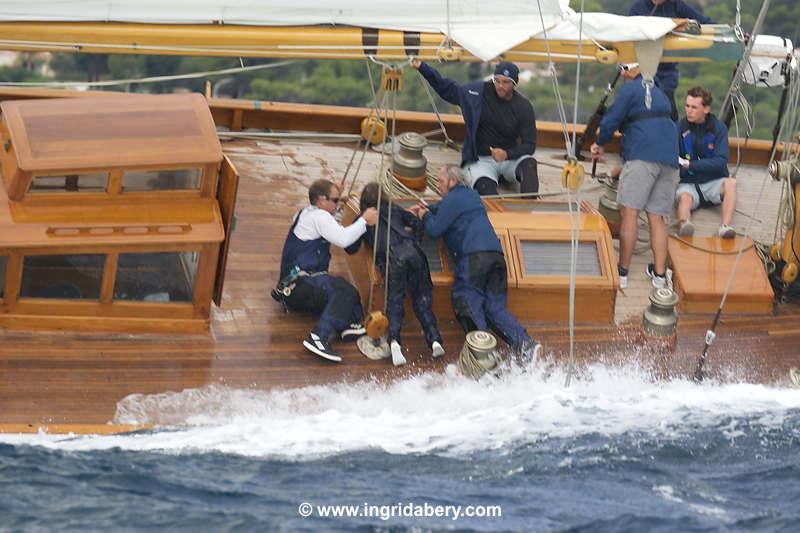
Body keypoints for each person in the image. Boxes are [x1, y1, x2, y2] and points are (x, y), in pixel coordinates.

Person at [409, 165, 541, 361]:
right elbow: (445, 208)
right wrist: (429, 208)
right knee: (495, 309)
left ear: (452, 182)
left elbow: (435, 230)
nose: (438, 185)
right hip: (496, 257)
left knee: (467, 302)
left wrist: (424, 215)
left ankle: (484, 357)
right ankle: (526, 346)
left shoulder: (452, 199)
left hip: (474, 258)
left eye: (441, 181)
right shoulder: (472, 196)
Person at [590, 62, 679, 290]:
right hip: (669, 158)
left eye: (624, 67)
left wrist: (599, 144)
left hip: (641, 155)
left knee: (629, 213)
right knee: (657, 218)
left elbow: (611, 120)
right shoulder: (662, 92)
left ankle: (622, 272)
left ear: (636, 69)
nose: (622, 72)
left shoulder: (631, 89)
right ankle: (660, 276)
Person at [275, 179, 378, 362]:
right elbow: (343, 239)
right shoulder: (320, 217)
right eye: (335, 199)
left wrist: (336, 200)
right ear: (322, 200)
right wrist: (364, 220)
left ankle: (346, 326)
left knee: (350, 293)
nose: (339, 203)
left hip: (291, 286)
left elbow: (332, 224)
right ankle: (318, 337)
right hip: (301, 285)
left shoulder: (304, 213)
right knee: (343, 291)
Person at [346, 182, 444, 366]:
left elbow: (351, 248)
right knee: (422, 300)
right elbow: (417, 223)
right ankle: (435, 341)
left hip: (392, 259)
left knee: (395, 302)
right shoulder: (395, 210)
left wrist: (360, 231)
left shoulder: (365, 218)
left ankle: (395, 343)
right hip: (414, 253)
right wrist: (414, 240)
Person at [409, 58, 539, 197]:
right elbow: (447, 88)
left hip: (508, 159)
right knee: (486, 191)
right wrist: (423, 67)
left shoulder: (523, 106)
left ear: (514, 83)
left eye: (506, 82)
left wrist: (507, 154)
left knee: (529, 165)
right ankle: (500, 215)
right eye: (497, 80)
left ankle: (529, 207)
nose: (500, 86)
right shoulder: (477, 93)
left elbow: (530, 145)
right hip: (481, 160)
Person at [628, 0, 714, 121]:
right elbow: (626, 39)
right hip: (641, 72)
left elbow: (706, 23)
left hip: (666, 75)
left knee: (669, 114)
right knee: (640, 114)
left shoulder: (677, 5)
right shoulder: (638, 8)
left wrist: (733, 34)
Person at [675, 87, 737, 239]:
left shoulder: (718, 129)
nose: (689, 111)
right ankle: (685, 224)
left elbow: (721, 161)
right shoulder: (679, 127)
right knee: (684, 197)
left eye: (694, 107)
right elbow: (673, 155)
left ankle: (725, 227)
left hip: (713, 183)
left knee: (731, 183)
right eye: (687, 106)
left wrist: (692, 165)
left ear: (706, 109)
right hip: (689, 183)